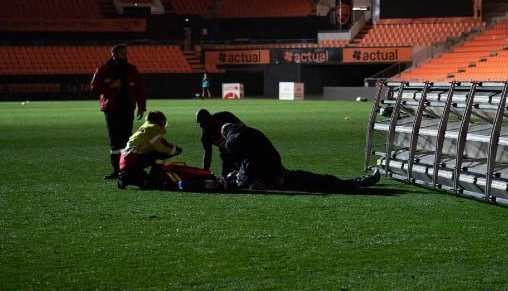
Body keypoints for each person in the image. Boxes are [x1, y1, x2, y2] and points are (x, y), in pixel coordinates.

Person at [216, 122, 380, 192]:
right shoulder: (251, 132)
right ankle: (359, 182)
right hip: (279, 174)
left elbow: (249, 163)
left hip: (276, 178)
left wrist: (240, 180)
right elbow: (258, 158)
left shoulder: (233, 142)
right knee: (321, 181)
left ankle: (359, 182)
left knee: (321, 182)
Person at [90, 44, 147, 180]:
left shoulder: (131, 70)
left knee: (127, 138)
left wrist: (141, 106)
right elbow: (94, 88)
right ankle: (117, 170)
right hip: (112, 108)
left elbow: (139, 88)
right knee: (115, 139)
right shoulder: (103, 70)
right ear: (114, 54)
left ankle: (126, 168)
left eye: (125, 52)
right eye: (122, 52)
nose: (125, 54)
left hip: (127, 107)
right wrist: (109, 86)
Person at [118, 111, 183, 190]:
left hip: (128, 161)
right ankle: (153, 178)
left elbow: (163, 143)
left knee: (157, 158)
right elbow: (160, 148)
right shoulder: (153, 129)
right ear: (160, 120)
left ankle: (126, 177)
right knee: (160, 157)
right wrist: (174, 151)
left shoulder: (148, 128)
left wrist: (174, 149)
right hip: (132, 162)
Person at [195, 108, 242, 175]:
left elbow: (243, 131)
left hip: (240, 154)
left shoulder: (225, 117)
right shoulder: (206, 133)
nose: (200, 125)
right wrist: (205, 172)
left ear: (208, 118)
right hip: (226, 157)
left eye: (201, 122)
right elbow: (208, 152)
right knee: (225, 179)